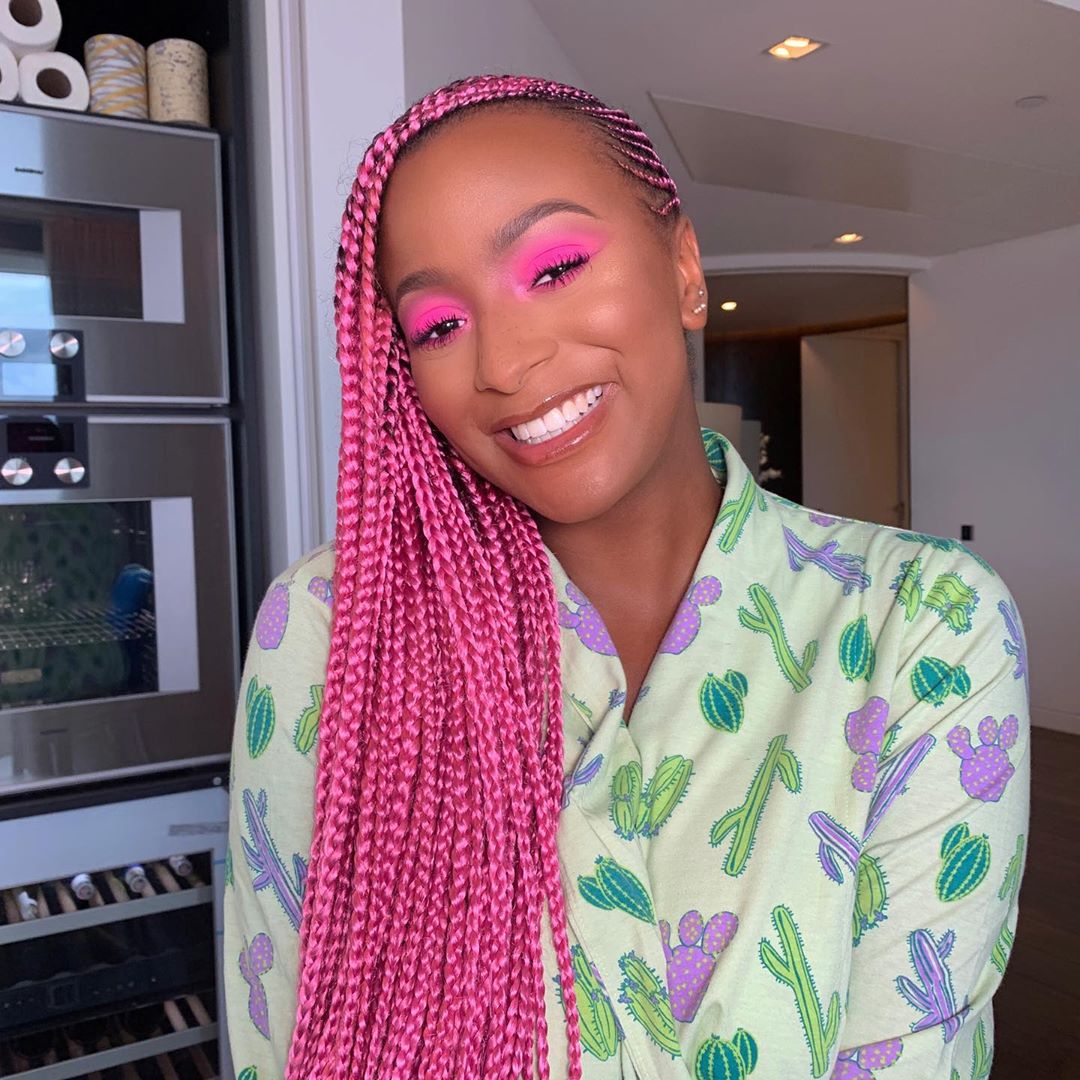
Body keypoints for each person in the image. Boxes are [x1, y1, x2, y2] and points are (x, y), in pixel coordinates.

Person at [223, 74, 1029, 1079]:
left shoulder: (921, 621)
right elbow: (277, 1044)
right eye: (437, 325)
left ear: (685, 269)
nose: (506, 364)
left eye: (554, 266)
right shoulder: (334, 627)